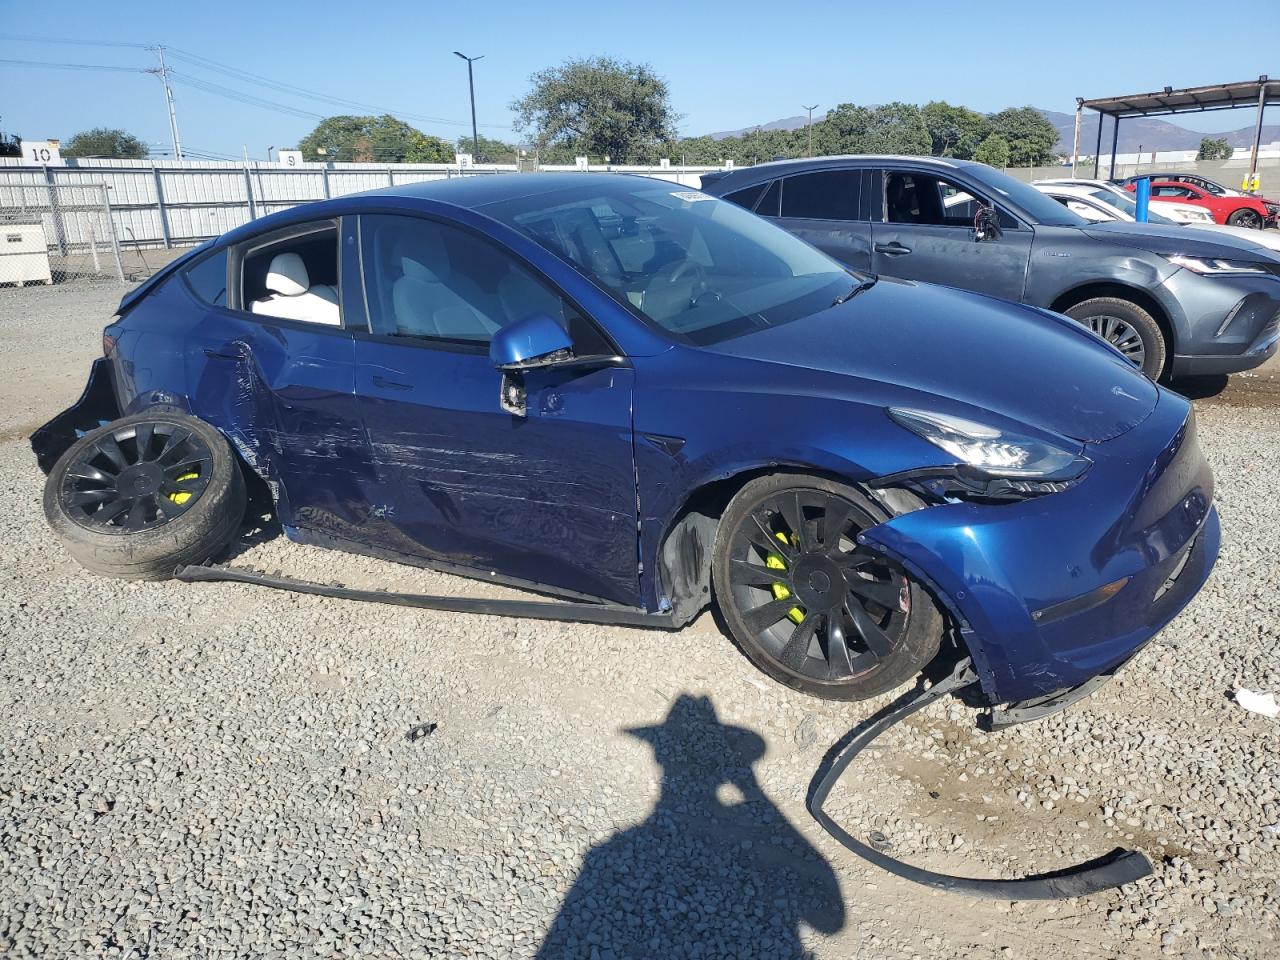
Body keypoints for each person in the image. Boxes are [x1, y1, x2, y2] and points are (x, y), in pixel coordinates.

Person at [536, 694, 845, 959]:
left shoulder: (606, 854)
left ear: (659, 757)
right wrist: (752, 789)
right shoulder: (608, 853)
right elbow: (830, 921)